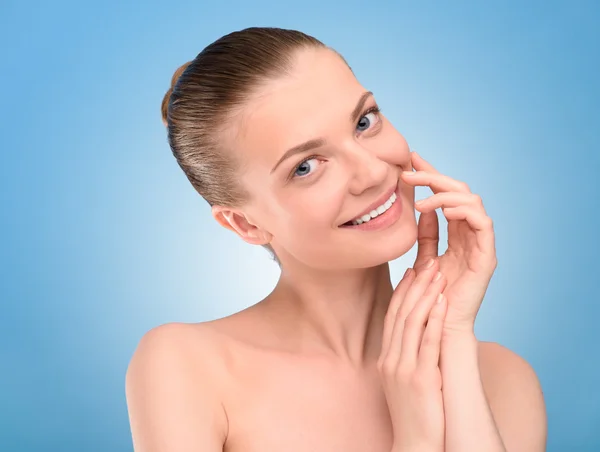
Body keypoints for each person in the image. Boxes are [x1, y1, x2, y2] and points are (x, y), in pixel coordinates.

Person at [125, 27, 547, 452]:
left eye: (365, 122)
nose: (374, 172)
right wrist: (417, 436)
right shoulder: (187, 366)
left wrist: (449, 335)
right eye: (306, 166)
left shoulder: (501, 378)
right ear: (244, 225)